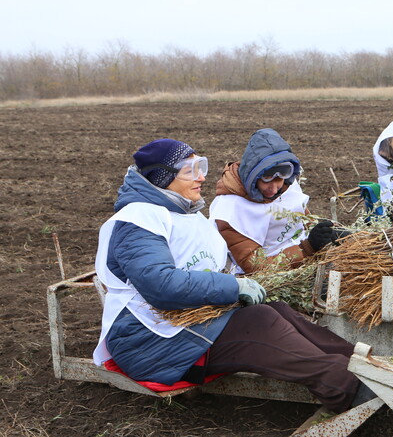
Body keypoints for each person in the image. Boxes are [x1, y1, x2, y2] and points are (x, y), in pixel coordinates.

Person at [93, 138, 372, 412]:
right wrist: (232, 286)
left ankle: (360, 364)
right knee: (260, 327)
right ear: (162, 178)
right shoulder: (137, 221)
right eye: (190, 171)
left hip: (187, 325)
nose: (201, 177)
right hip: (151, 344)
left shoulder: (182, 212)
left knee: (272, 310)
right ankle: (347, 387)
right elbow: (161, 284)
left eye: (201, 166)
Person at [210, 128, 339, 274]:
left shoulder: (286, 186)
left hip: (303, 262)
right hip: (268, 280)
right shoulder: (230, 210)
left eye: (280, 178)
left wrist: (322, 234)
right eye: (266, 180)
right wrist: (307, 248)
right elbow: (255, 267)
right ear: (253, 176)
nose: (274, 188)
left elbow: (303, 219)